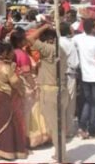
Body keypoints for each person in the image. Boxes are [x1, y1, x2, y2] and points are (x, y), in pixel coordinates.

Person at [27, 22, 68, 160]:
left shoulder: (49, 49)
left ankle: (61, 156)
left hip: (51, 92)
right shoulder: (60, 49)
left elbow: (30, 38)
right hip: (60, 90)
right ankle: (60, 153)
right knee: (58, 125)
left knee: (54, 126)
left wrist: (44, 26)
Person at [0, 41, 27, 160]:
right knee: (6, 124)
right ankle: (6, 151)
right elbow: (15, 82)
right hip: (3, 97)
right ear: (0, 53)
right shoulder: (5, 67)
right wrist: (22, 90)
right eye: (4, 51)